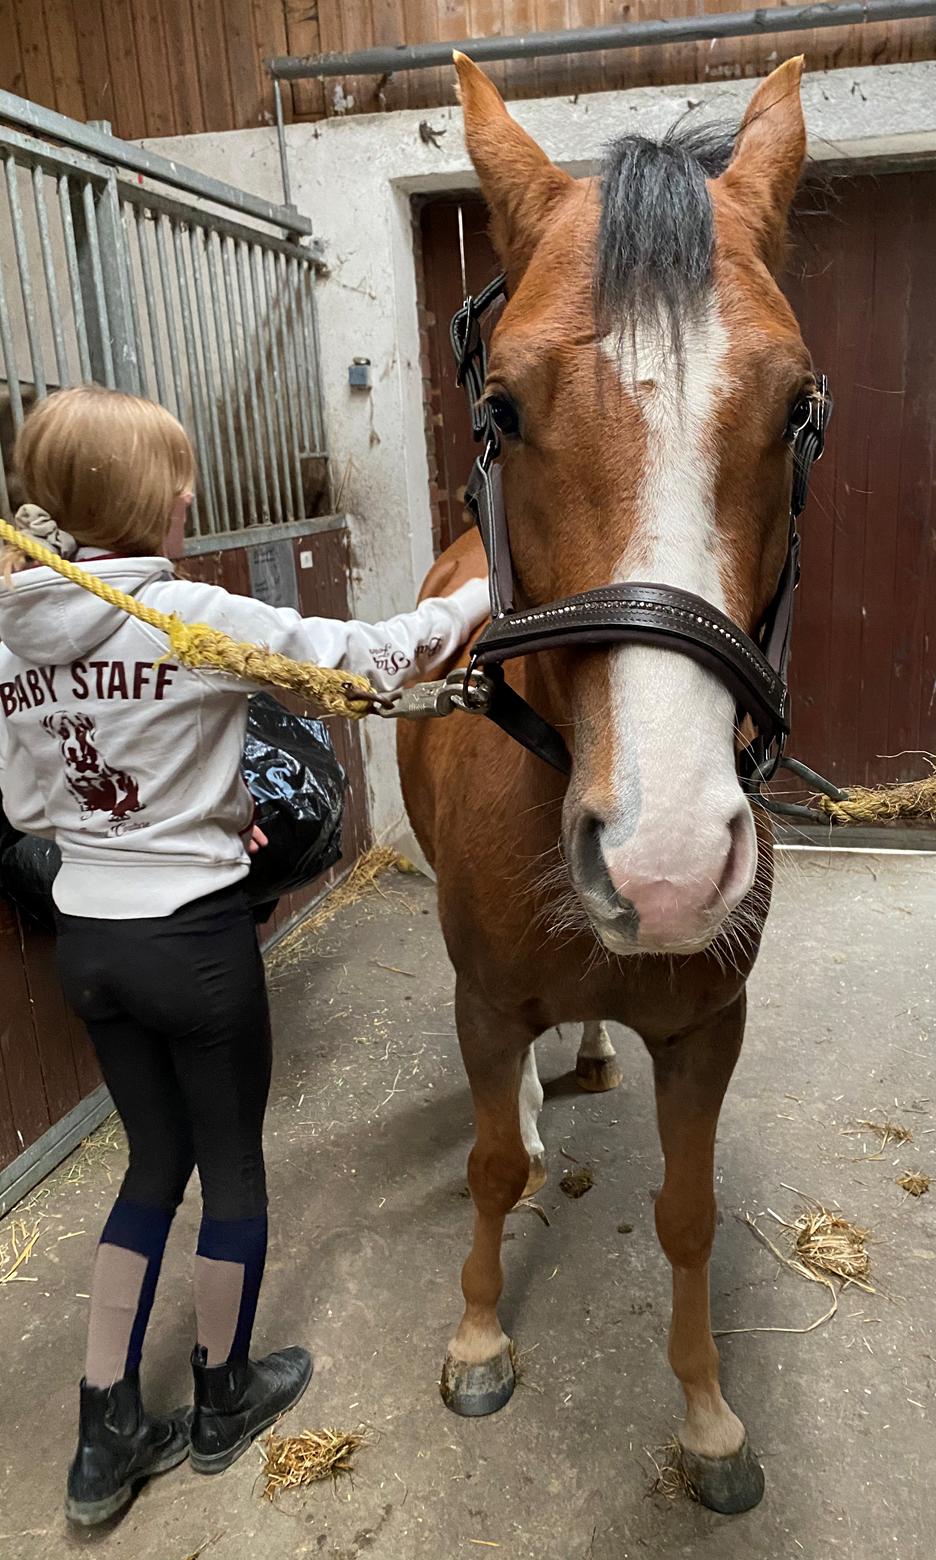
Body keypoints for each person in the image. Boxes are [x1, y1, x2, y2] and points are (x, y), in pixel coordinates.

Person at [0, 385, 489, 1526]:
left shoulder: (12, 631)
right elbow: (363, 665)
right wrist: (475, 598)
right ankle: (223, 1396)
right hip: (197, 949)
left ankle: (103, 1433)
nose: (189, 504)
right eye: (179, 491)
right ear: (153, 508)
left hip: (94, 946)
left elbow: (28, 800)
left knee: (147, 1167)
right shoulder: (190, 614)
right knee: (232, 1170)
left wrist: (166, 809)